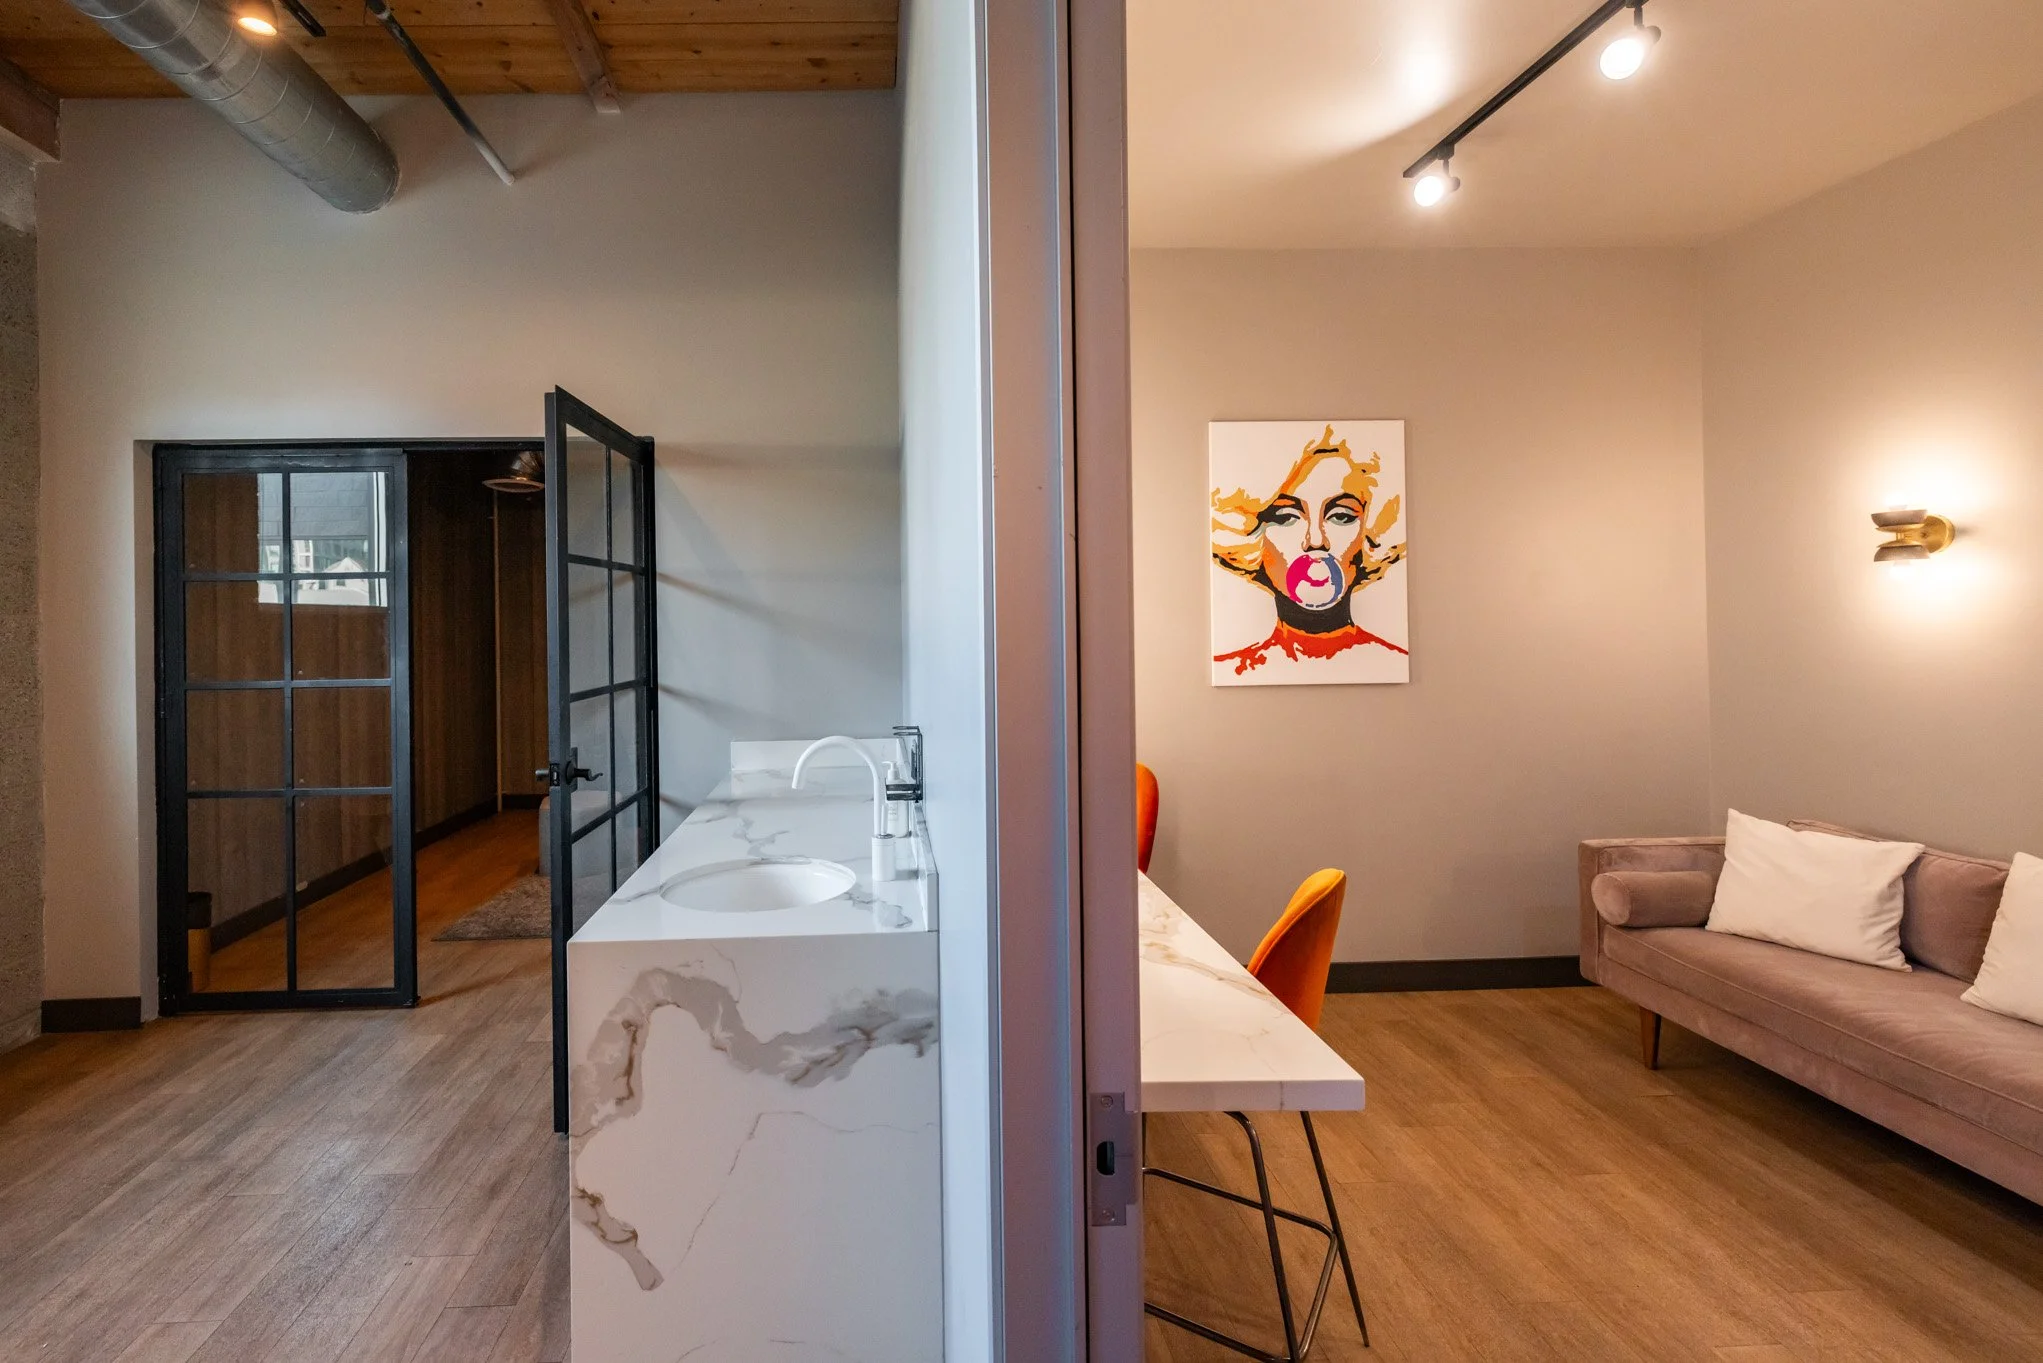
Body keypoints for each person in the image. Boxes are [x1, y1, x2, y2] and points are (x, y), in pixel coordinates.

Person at [1212, 425, 1407, 675]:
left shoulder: (1391, 665)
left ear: (1370, 535)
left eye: (1342, 517)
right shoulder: (1232, 670)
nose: (1316, 540)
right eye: (1285, 518)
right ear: (1250, 535)